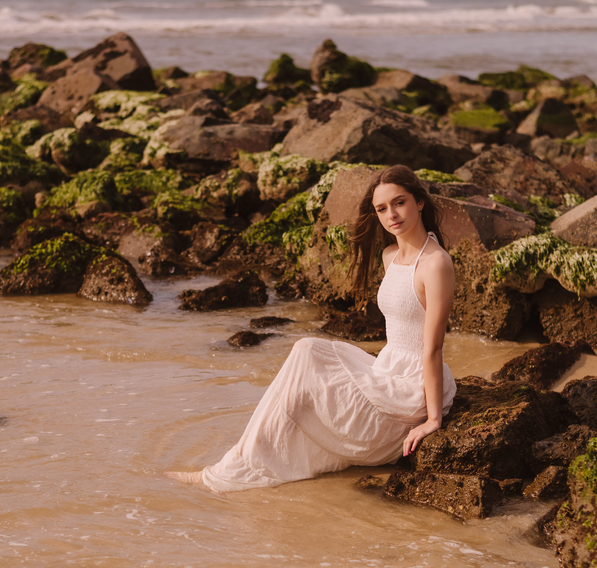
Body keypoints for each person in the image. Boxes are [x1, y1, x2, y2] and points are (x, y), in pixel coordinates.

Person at [168, 165, 456, 491]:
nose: (392, 214)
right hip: (387, 368)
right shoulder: (390, 256)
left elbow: (432, 348)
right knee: (306, 352)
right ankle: (243, 461)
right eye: (382, 208)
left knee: (308, 363)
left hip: (412, 387)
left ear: (419, 202)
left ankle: (233, 469)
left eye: (399, 202)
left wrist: (433, 420)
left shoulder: (436, 264)